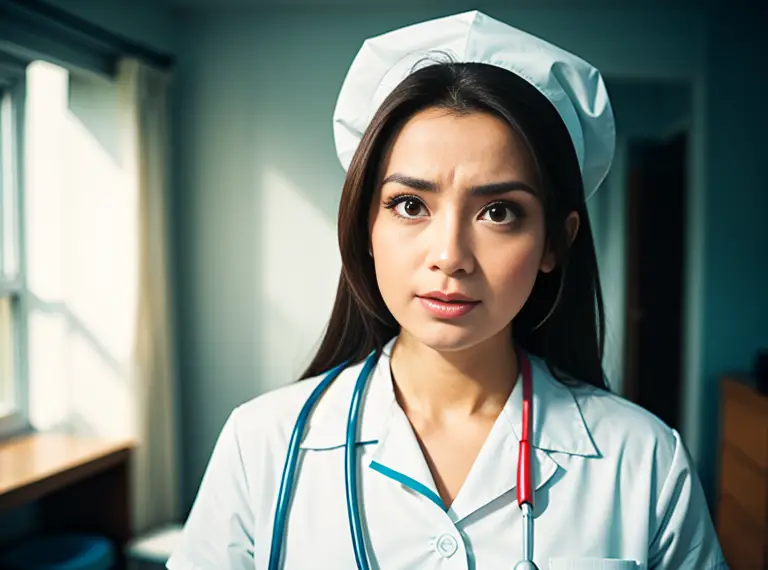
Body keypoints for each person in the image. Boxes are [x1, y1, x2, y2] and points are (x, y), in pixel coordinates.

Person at [167, 11, 727, 570]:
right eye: (410, 206)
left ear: (556, 242)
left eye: (499, 211)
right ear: (366, 227)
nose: (450, 257)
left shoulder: (646, 461)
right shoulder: (261, 444)